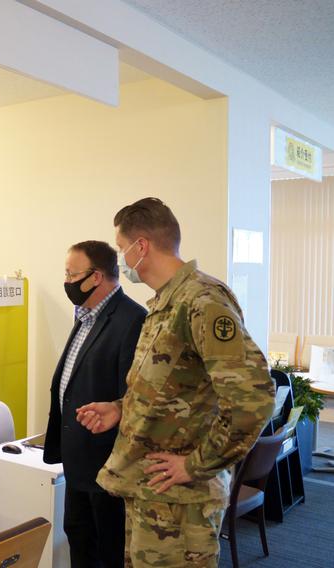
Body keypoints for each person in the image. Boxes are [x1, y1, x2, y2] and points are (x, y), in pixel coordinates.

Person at [77, 198, 275, 567]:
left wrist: (196, 465)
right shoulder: (166, 304)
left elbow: (254, 399)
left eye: (121, 249)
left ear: (141, 246)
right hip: (151, 493)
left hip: (183, 504)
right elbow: (177, 387)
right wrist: (121, 409)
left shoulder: (201, 301)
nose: (122, 259)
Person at [43, 241, 146, 568]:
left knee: (107, 551)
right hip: (78, 462)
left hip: (106, 466)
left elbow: (130, 399)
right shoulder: (86, 315)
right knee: (80, 539)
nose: (67, 281)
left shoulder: (132, 320)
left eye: (72, 274)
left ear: (97, 276)